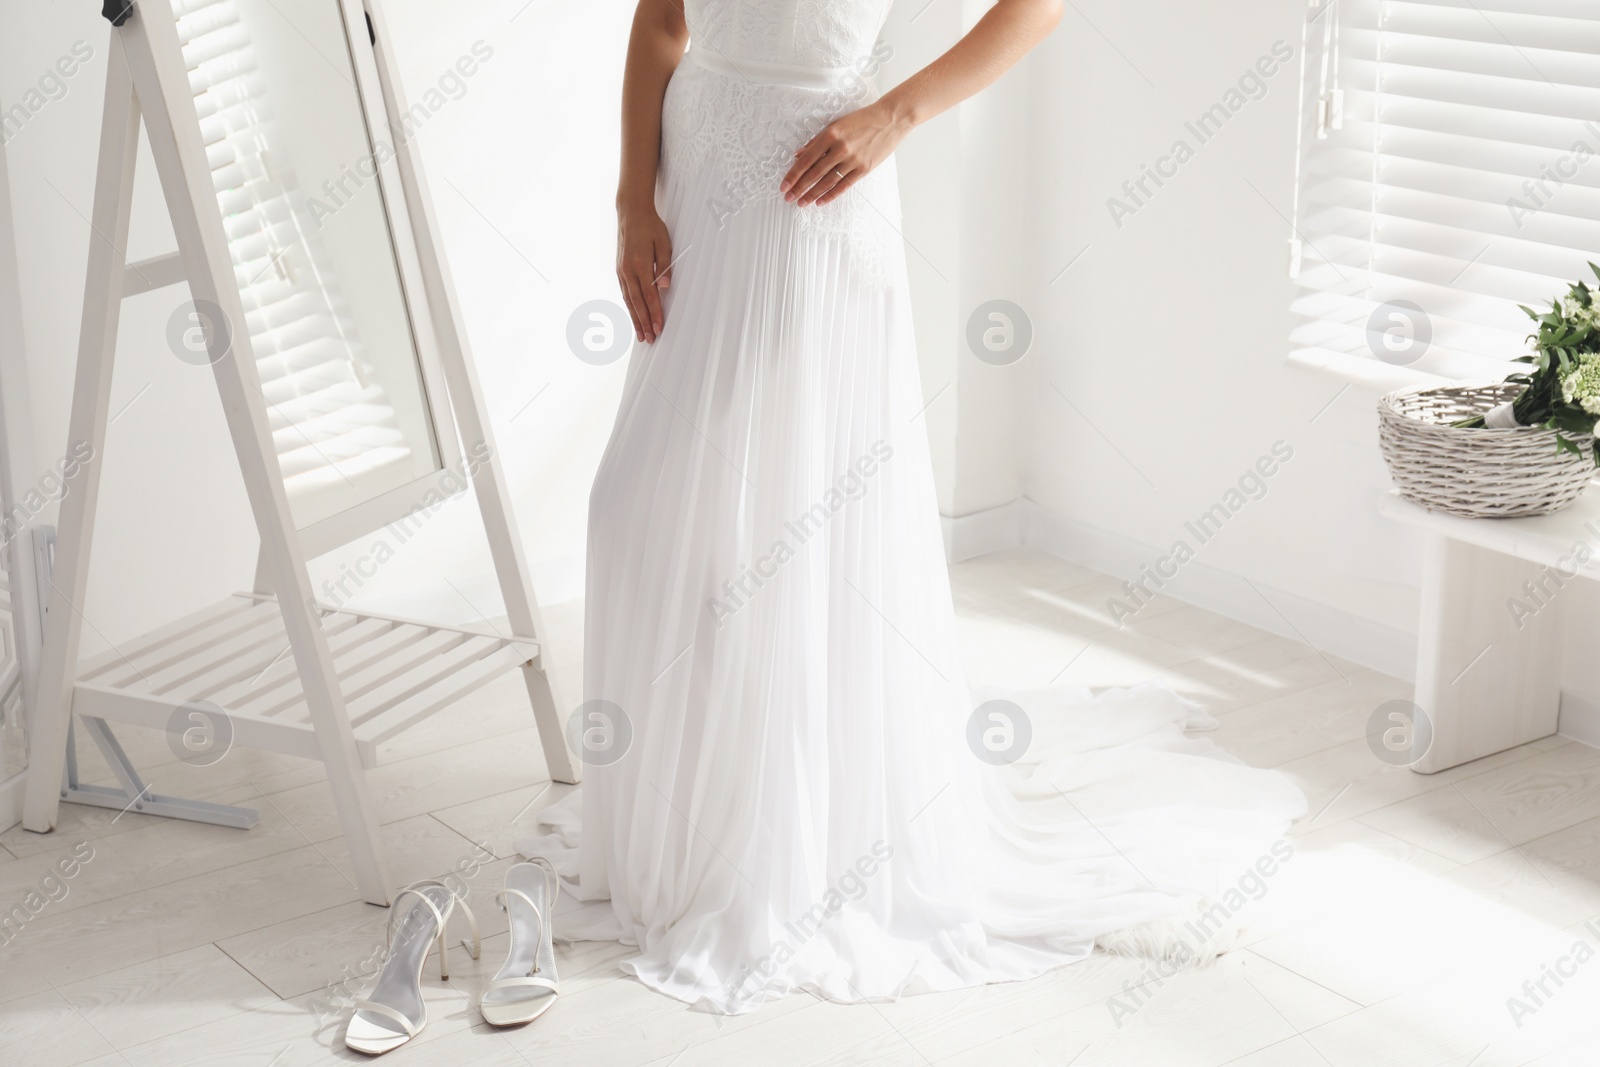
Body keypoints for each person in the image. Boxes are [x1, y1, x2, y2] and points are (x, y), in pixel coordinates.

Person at [519, 0, 1305, 1015]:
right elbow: (664, 20)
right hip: (694, 182)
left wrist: (897, 113)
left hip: (814, 199)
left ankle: (779, 851)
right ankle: (675, 839)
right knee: (645, 515)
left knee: (786, 533)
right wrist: (633, 198)